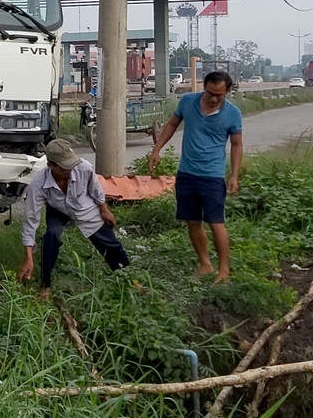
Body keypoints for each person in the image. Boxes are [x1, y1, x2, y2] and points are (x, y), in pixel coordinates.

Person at [148, 70, 243, 284]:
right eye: (210, 93)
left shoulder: (233, 114)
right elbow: (172, 124)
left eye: (219, 95)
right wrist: (156, 150)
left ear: (227, 92)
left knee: (216, 222)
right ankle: (205, 264)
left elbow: (237, 145)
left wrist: (234, 175)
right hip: (187, 173)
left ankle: (224, 270)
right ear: (204, 88)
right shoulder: (188, 102)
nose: (213, 98)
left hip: (212, 176)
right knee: (192, 221)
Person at [17, 138, 129, 299]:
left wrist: (104, 209)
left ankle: (129, 278)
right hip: (57, 209)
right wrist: (28, 257)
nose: (71, 169)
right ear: (51, 165)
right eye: (65, 167)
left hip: (83, 205)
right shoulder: (38, 185)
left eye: (72, 163)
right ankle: (45, 286)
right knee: (51, 237)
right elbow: (31, 220)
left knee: (110, 243)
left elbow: (95, 189)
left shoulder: (83, 168)